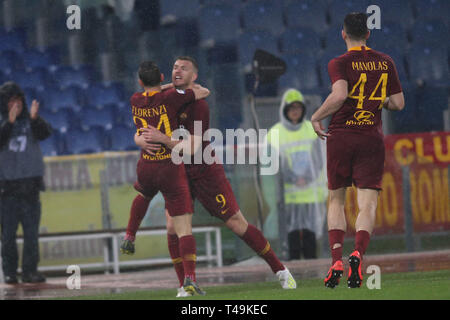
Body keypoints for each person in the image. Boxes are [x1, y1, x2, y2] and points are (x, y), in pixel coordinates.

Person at [121, 56, 296, 297]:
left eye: (184, 68)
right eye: (174, 67)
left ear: (194, 76)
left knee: (236, 223)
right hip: (175, 170)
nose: (177, 70)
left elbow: (192, 148)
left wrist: (162, 139)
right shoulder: (166, 97)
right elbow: (144, 115)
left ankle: (280, 270)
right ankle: (185, 285)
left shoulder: (199, 105)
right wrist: (139, 139)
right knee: (173, 227)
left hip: (202, 169)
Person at [311, 13, 405, 288]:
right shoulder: (386, 61)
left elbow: (339, 95)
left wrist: (316, 117)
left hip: (341, 135)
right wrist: (379, 101)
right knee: (367, 203)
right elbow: (398, 103)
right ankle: (358, 254)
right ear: (368, 33)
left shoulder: (338, 62)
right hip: (370, 138)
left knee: (337, 201)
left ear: (343, 34)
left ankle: (337, 259)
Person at [128, 61, 210, 295]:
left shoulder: (135, 99)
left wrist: (138, 140)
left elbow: (148, 97)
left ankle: (130, 234)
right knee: (183, 229)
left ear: (140, 82)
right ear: (163, 75)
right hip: (170, 166)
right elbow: (203, 92)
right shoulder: (173, 97)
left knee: (145, 196)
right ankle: (189, 280)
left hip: (146, 164)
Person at [264, 88, 327, 260]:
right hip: (287, 197)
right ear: (285, 110)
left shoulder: (312, 128)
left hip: (310, 196)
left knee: (310, 237)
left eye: (298, 107)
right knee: (290, 240)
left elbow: (319, 158)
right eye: (291, 108)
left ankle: (311, 274)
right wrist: (293, 178)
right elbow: (273, 163)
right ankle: (294, 275)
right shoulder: (274, 134)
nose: (295, 111)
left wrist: (306, 177)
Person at [0, 81, 52, 284]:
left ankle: (30, 271)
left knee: (31, 234)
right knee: (8, 236)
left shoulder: (31, 121)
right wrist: (9, 124)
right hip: (7, 190)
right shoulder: (3, 122)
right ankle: (10, 273)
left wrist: (35, 118)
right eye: (11, 100)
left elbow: (45, 133)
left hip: (30, 188)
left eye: (19, 100)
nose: (16, 104)